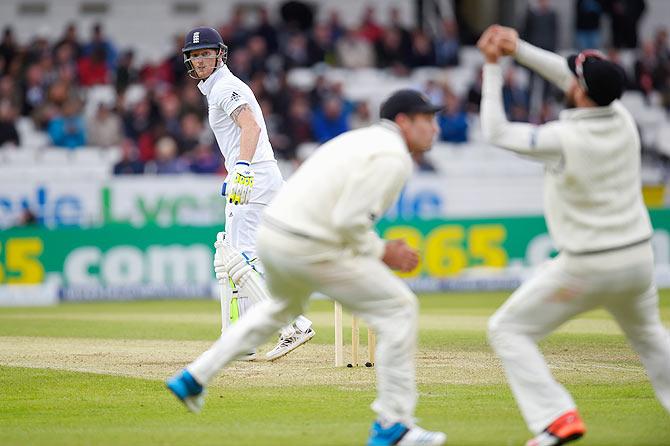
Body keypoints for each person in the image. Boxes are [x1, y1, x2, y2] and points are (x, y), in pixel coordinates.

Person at [166, 89, 447, 446]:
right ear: (404, 122)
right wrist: (381, 251)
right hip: (307, 242)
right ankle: (393, 425)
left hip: (274, 232)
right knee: (400, 307)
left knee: (278, 310)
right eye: (427, 121)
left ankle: (194, 377)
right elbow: (348, 221)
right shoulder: (394, 157)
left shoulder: (359, 139)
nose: (435, 129)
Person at [477, 25, 670, 446]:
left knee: (508, 329)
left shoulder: (561, 138)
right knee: (652, 339)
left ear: (581, 92)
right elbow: (570, 76)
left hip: (587, 264)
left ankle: (555, 417)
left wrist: (494, 65)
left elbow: (495, 132)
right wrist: (520, 49)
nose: (567, 80)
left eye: (574, 79)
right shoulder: (623, 118)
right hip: (638, 259)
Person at [178, 27, 314, 360]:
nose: (200, 60)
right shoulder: (218, 89)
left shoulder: (225, 87)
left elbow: (250, 126)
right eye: (195, 55)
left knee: (238, 257)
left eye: (206, 53)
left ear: (219, 55)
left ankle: (293, 324)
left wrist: (241, 168)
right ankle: (248, 337)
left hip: (252, 176)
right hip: (261, 174)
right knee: (242, 259)